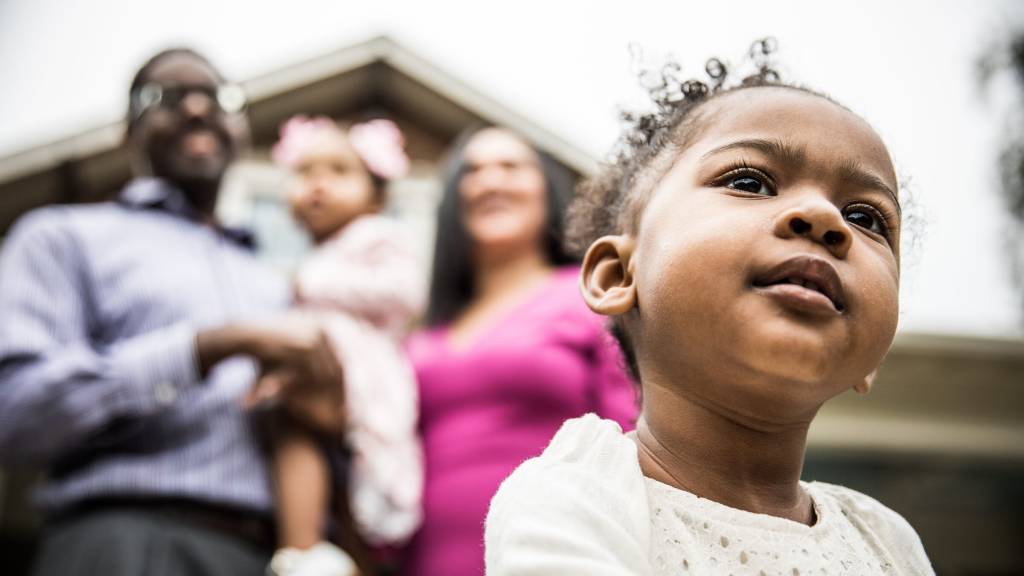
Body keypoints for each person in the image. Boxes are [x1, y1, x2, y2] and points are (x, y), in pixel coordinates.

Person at [485, 39, 935, 575]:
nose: (823, 217)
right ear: (618, 275)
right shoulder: (577, 494)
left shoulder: (886, 540)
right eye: (750, 182)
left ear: (875, 356)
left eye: (866, 217)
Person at [0, 48, 346, 576]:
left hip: (264, 558)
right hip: (122, 543)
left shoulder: (274, 283)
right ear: (127, 131)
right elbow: (15, 413)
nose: (196, 109)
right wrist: (205, 347)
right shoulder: (63, 238)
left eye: (218, 97)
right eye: (166, 97)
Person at [401, 126, 638, 575]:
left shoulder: (591, 299)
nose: (491, 181)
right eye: (472, 171)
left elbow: (632, 432)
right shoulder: (421, 333)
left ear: (547, 190)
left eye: (511, 166)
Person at [259, 115, 424, 576]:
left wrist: (316, 283)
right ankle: (301, 550)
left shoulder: (378, 236)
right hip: (317, 369)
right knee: (292, 435)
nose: (318, 184)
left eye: (338, 171)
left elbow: (404, 292)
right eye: (305, 172)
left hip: (363, 373)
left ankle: (354, 550)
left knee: (368, 465)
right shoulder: (315, 255)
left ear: (376, 192)